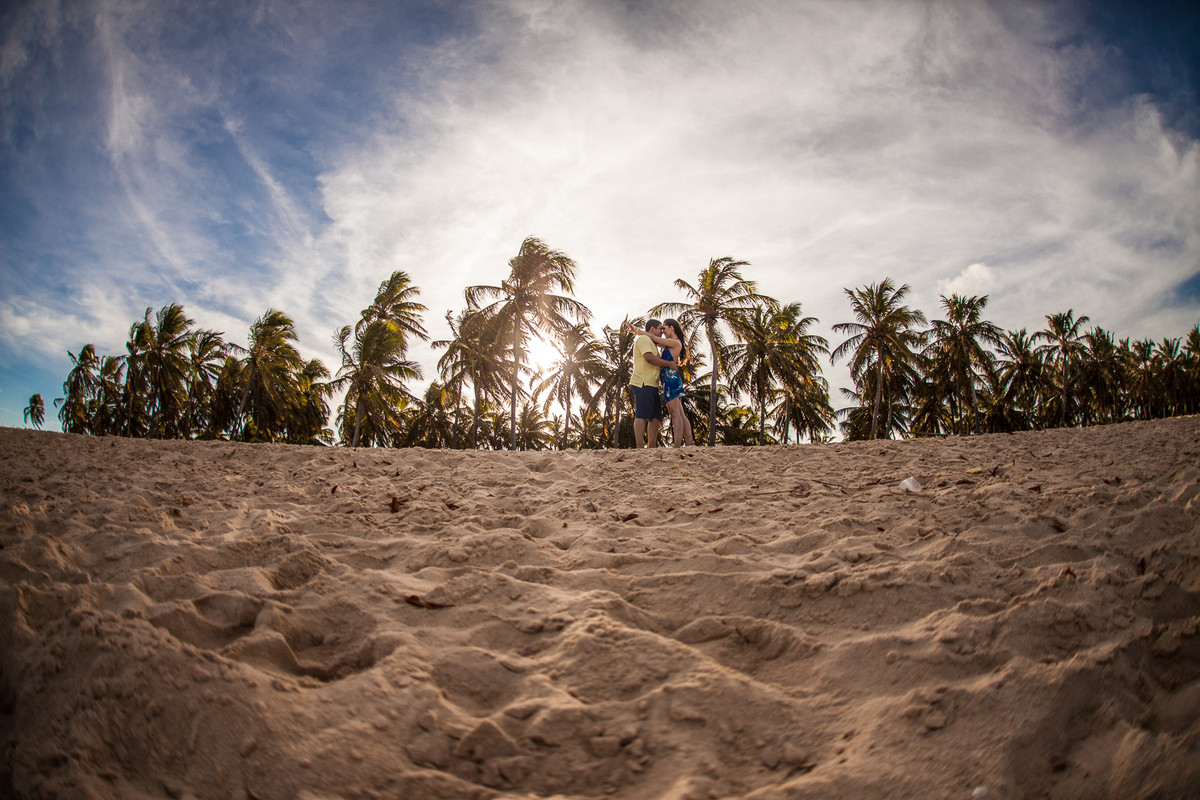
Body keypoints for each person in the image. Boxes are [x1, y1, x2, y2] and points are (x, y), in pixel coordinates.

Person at [627, 319, 694, 447]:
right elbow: (652, 339)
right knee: (679, 413)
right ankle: (689, 442)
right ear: (652, 328)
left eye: (664, 328)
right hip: (662, 380)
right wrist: (637, 332)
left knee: (675, 413)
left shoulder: (674, 342)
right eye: (660, 328)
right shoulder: (667, 343)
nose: (662, 332)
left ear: (672, 328)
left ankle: (678, 445)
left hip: (670, 378)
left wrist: (636, 330)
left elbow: (653, 338)